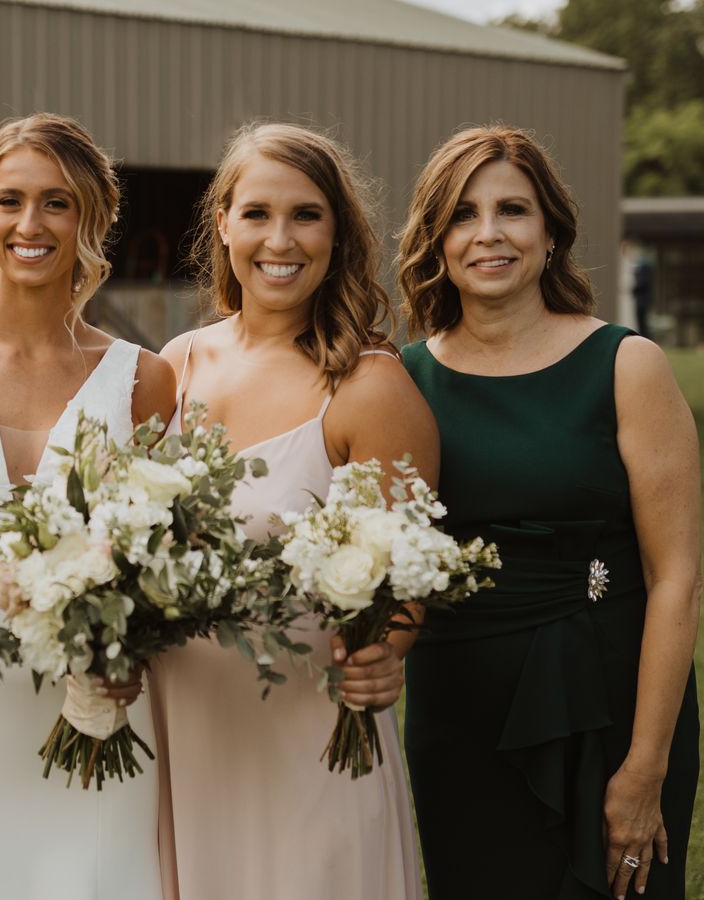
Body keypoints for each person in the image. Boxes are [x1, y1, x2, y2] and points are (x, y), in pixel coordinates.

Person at [398, 125, 700, 900]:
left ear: (551, 230)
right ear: (437, 240)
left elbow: (677, 579)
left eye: (513, 210)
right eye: (463, 215)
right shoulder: (401, 380)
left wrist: (646, 767)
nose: (489, 233)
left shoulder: (626, 365)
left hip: (608, 698)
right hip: (457, 712)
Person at [150, 122, 436, 900]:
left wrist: (388, 652)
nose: (280, 240)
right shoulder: (176, 365)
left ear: (337, 235)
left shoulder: (368, 388)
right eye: (257, 214)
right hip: (182, 728)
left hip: (311, 738)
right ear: (223, 225)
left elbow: (406, 582)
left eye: (306, 215)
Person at [0, 113, 176, 899]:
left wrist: (126, 648)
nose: (31, 224)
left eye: (57, 202)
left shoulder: (144, 379)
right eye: (10, 200)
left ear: (92, 216)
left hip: (99, 704)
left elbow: (160, 553)